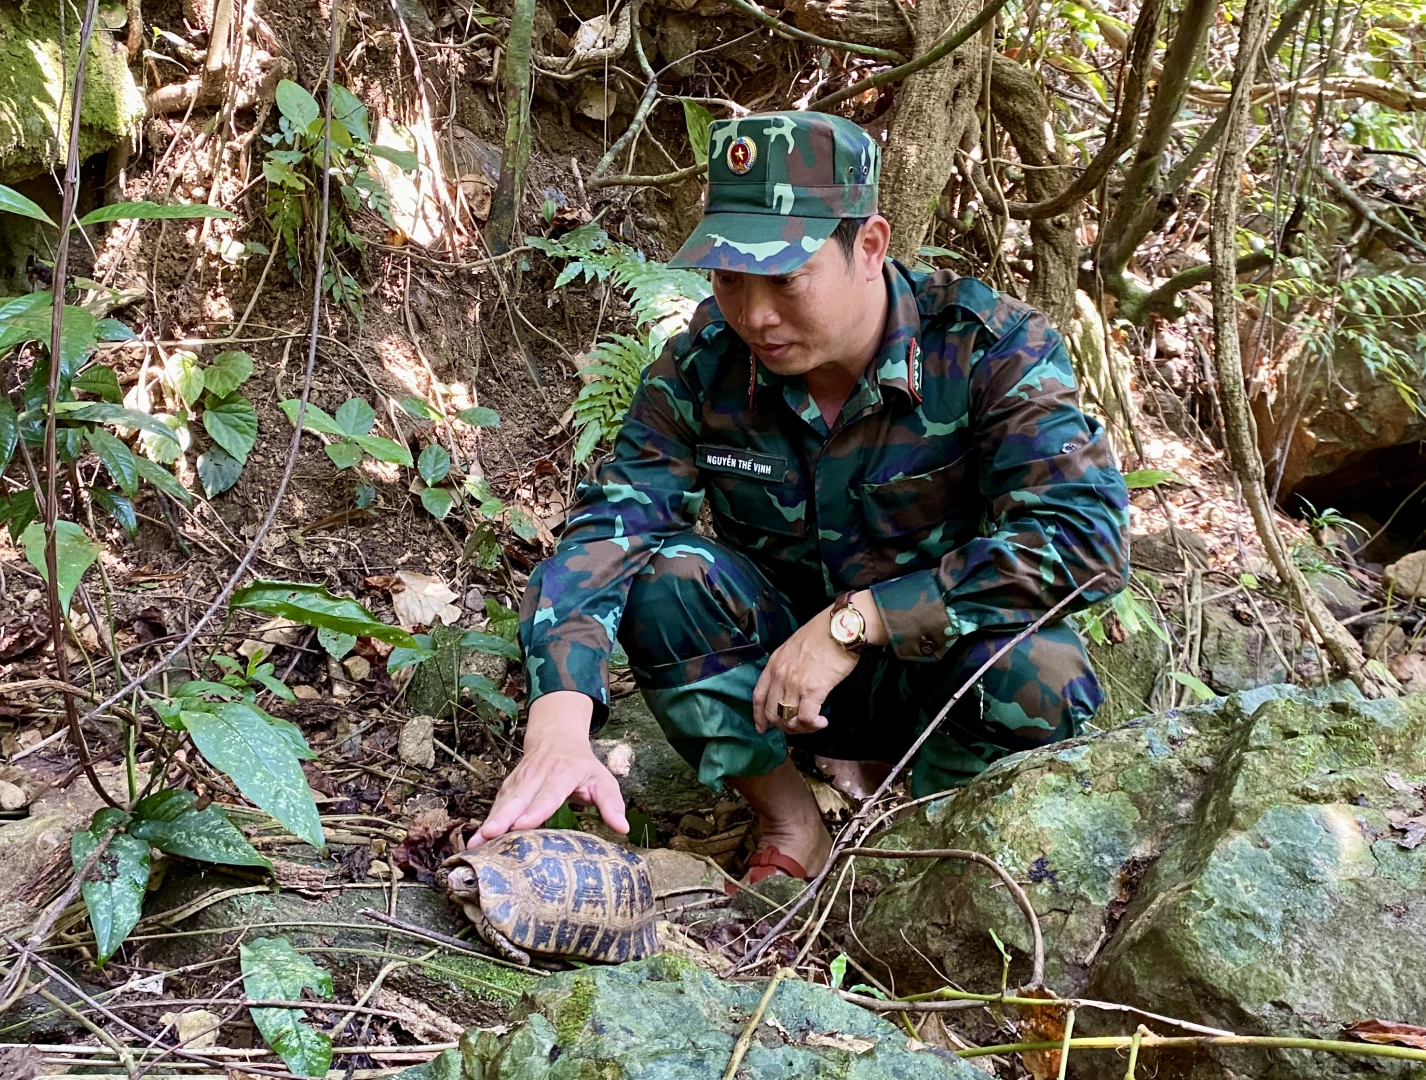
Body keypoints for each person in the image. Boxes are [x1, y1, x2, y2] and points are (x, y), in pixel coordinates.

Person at [471, 110, 1128, 884]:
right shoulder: (702, 368)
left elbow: (1085, 539)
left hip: (934, 677)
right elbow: (612, 532)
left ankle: (928, 850)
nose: (754, 314)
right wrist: (558, 721)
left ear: (870, 246)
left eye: (785, 278)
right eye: (728, 277)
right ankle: (791, 822)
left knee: (1040, 670)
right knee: (666, 581)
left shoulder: (989, 349)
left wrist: (860, 622)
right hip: (776, 689)